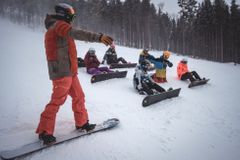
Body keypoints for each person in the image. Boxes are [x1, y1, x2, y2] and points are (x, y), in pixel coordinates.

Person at [36, 3, 113, 145]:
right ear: (64, 13)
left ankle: (82, 123)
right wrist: (98, 37)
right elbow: (76, 32)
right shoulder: (58, 25)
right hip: (61, 72)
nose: (72, 16)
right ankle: (44, 131)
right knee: (57, 100)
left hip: (70, 72)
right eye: (70, 13)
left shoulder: (60, 27)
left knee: (79, 96)